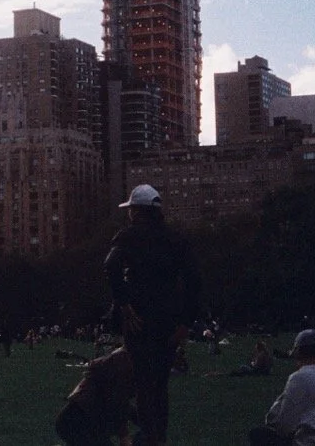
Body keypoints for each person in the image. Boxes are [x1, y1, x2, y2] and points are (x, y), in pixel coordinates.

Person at [104, 184, 201, 446]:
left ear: (136, 211)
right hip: (170, 322)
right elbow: (194, 281)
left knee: (145, 384)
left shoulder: (128, 236)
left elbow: (111, 265)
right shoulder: (176, 239)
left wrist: (123, 302)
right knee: (160, 384)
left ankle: (149, 437)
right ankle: (159, 438)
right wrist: (185, 322)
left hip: (139, 320)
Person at [55, 347, 135, 446]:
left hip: (79, 422)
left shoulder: (127, 358)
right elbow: (115, 399)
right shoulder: (127, 360)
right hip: (79, 422)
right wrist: (124, 435)